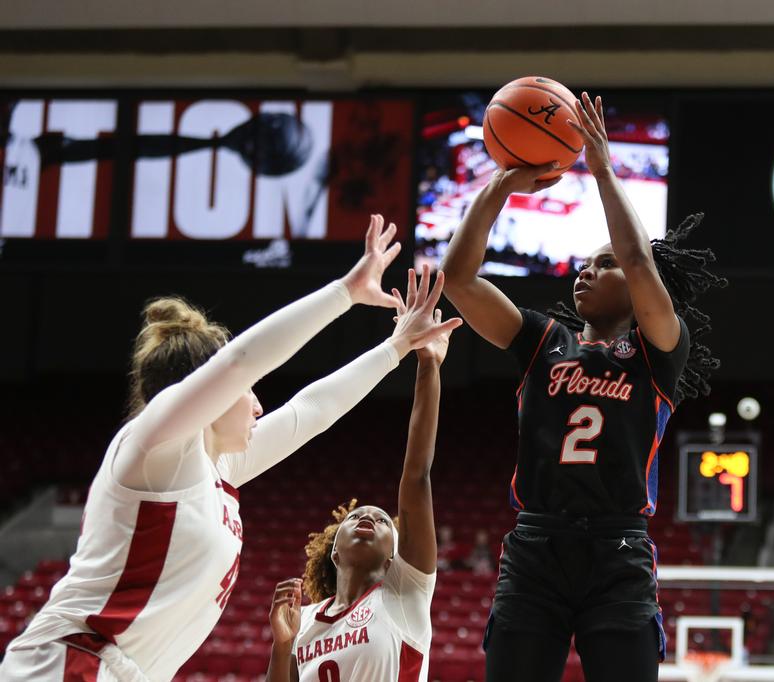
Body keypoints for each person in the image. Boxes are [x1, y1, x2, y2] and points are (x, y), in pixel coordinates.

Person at [0, 216, 460, 682]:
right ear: (213, 394)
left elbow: (312, 411)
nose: (260, 406)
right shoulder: (155, 447)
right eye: (249, 391)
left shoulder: (213, 469)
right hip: (72, 660)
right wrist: (345, 291)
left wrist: (398, 346)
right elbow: (240, 361)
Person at [441, 93, 726, 682]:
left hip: (617, 550)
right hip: (535, 546)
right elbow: (460, 278)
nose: (587, 270)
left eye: (605, 264)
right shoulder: (542, 341)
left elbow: (641, 262)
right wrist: (502, 184)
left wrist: (601, 168)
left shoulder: (659, 351)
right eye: (587, 263)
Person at [266, 267, 451, 682]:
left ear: (394, 554)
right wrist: (282, 646)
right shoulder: (303, 620)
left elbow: (416, 477)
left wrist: (428, 366)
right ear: (333, 551)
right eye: (356, 517)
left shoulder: (405, 593)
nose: (369, 517)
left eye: (383, 520)